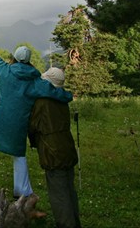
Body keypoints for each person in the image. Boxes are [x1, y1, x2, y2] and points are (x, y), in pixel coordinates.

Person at [0, 43, 73, 200]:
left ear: (14, 58)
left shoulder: (5, 70)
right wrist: (68, 96)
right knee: (18, 154)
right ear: (28, 61)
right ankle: (21, 191)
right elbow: (53, 92)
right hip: (17, 124)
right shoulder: (35, 82)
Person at [29, 67, 81, 228]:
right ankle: (75, 223)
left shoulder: (42, 101)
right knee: (69, 189)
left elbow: (32, 126)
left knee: (59, 194)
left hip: (53, 151)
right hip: (67, 146)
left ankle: (67, 224)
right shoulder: (63, 99)